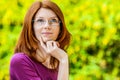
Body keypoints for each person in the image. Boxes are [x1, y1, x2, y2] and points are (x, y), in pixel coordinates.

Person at [10, 0, 71, 80]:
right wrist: (63, 60)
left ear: (60, 28)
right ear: (31, 27)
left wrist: (63, 60)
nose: (47, 26)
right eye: (40, 20)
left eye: (53, 20)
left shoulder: (58, 58)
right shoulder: (19, 61)